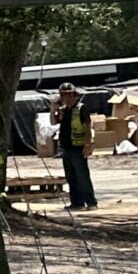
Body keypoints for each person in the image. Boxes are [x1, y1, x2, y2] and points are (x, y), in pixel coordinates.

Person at [54, 81, 98, 209]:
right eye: (63, 96)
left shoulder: (81, 108)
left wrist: (88, 145)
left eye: (69, 95)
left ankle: (91, 202)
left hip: (78, 147)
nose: (66, 98)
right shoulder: (63, 110)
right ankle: (76, 202)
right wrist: (53, 109)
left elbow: (87, 127)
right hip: (66, 147)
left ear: (75, 95)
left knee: (82, 175)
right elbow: (53, 122)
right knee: (71, 177)